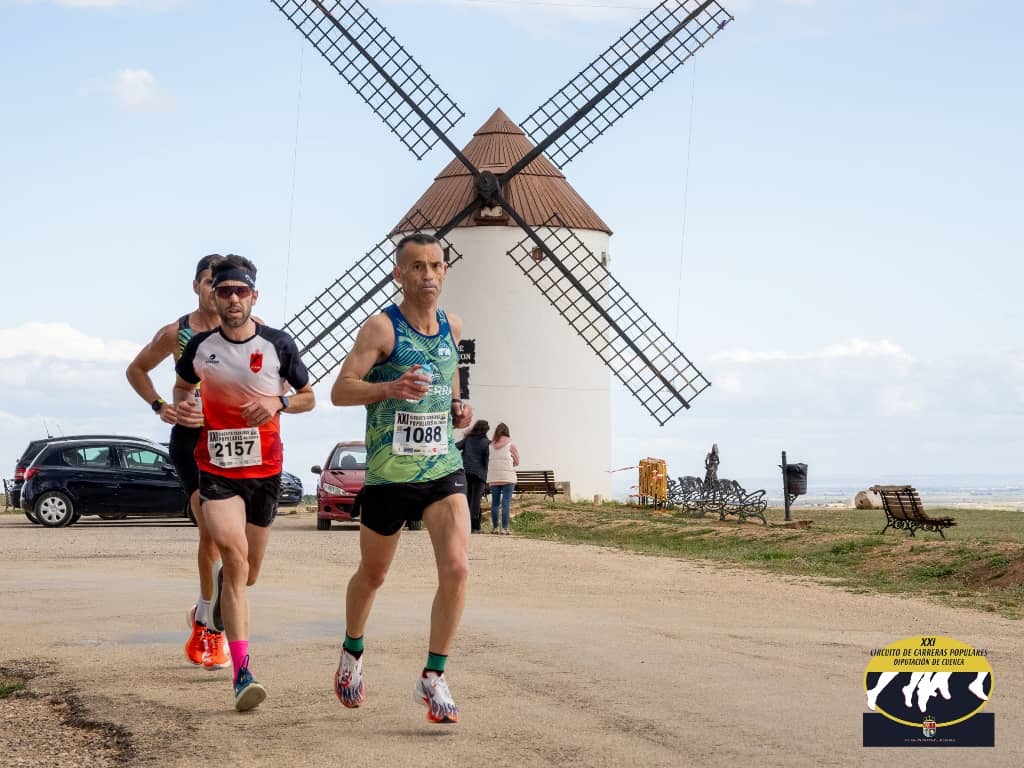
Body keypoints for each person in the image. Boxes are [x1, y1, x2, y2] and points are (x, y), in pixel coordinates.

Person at [329, 232, 473, 724]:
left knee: (457, 569)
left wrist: (457, 406)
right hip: (390, 474)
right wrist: (390, 387)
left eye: (435, 265)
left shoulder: (453, 325)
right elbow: (341, 390)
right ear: (398, 274)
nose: (427, 275)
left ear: (445, 271)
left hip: (442, 467)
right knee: (373, 575)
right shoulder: (381, 328)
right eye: (416, 266)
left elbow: (450, 372)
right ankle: (352, 649)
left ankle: (434, 675)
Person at [173, 254, 314, 712]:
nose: (233, 298)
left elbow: (308, 396)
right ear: (214, 297)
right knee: (233, 558)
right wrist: (186, 406)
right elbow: (182, 388)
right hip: (216, 471)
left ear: (254, 296)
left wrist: (278, 403)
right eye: (225, 291)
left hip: (265, 472)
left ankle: (219, 605)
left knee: (249, 572)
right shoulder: (200, 346)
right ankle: (242, 674)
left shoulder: (278, 344)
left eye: (241, 291)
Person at [125, 254, 231, 671]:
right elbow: (137, 369)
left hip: (234, 442)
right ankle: (210, 626)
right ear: (196, 286)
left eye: (222, 283)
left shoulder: (248, 331)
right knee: (211, 533)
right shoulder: (177, 332)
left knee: (237, 540)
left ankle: (206, 612)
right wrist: (159, 405)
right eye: (208, 282)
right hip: (191, 440)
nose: (215, 290)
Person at [456, 420, 489, 533]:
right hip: (479, 475)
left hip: (466, 473)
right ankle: (474, 527)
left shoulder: (468, 439)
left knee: (469, 499)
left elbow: (455, 447)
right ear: (485, 430)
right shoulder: (487, 443)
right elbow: (487, 461)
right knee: (475, 500)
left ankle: (473, 527)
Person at [486, 422, 520, 535]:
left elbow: (488, 460)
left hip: (494, 478)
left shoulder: (491, 446)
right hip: (507, 478)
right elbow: (517, 461)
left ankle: (495, 528)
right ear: (507, 432)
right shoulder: (511, 444)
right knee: (506, 503)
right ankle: (504, 529)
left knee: (495, 504)